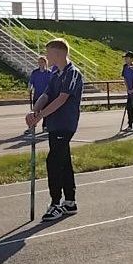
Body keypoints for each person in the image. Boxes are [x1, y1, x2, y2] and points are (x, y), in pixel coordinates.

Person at [25, 38, 84, 222]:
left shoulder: (72, 73)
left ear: (58, 53)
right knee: (63, 160)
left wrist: (40, 116)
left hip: (65, 123)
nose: (46, 56)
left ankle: (56, 203)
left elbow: (61, 98)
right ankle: (70, 200)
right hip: (54, 123)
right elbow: (47, 94)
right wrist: (34, 110)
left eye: (49, 53)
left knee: (54, 161)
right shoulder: (54, 73)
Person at [24, 56, 52, 135]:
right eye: (39, 62)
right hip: (37, 95)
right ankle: (32, 126)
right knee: (35, 112)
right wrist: (30, 88)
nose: (40, 64)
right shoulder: (35, 72)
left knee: (45, 111)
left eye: (42, 62)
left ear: (45, 63)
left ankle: (45, 126)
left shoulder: (49, 73)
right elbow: (31, 82)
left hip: (46, 96)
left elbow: (51, 84)